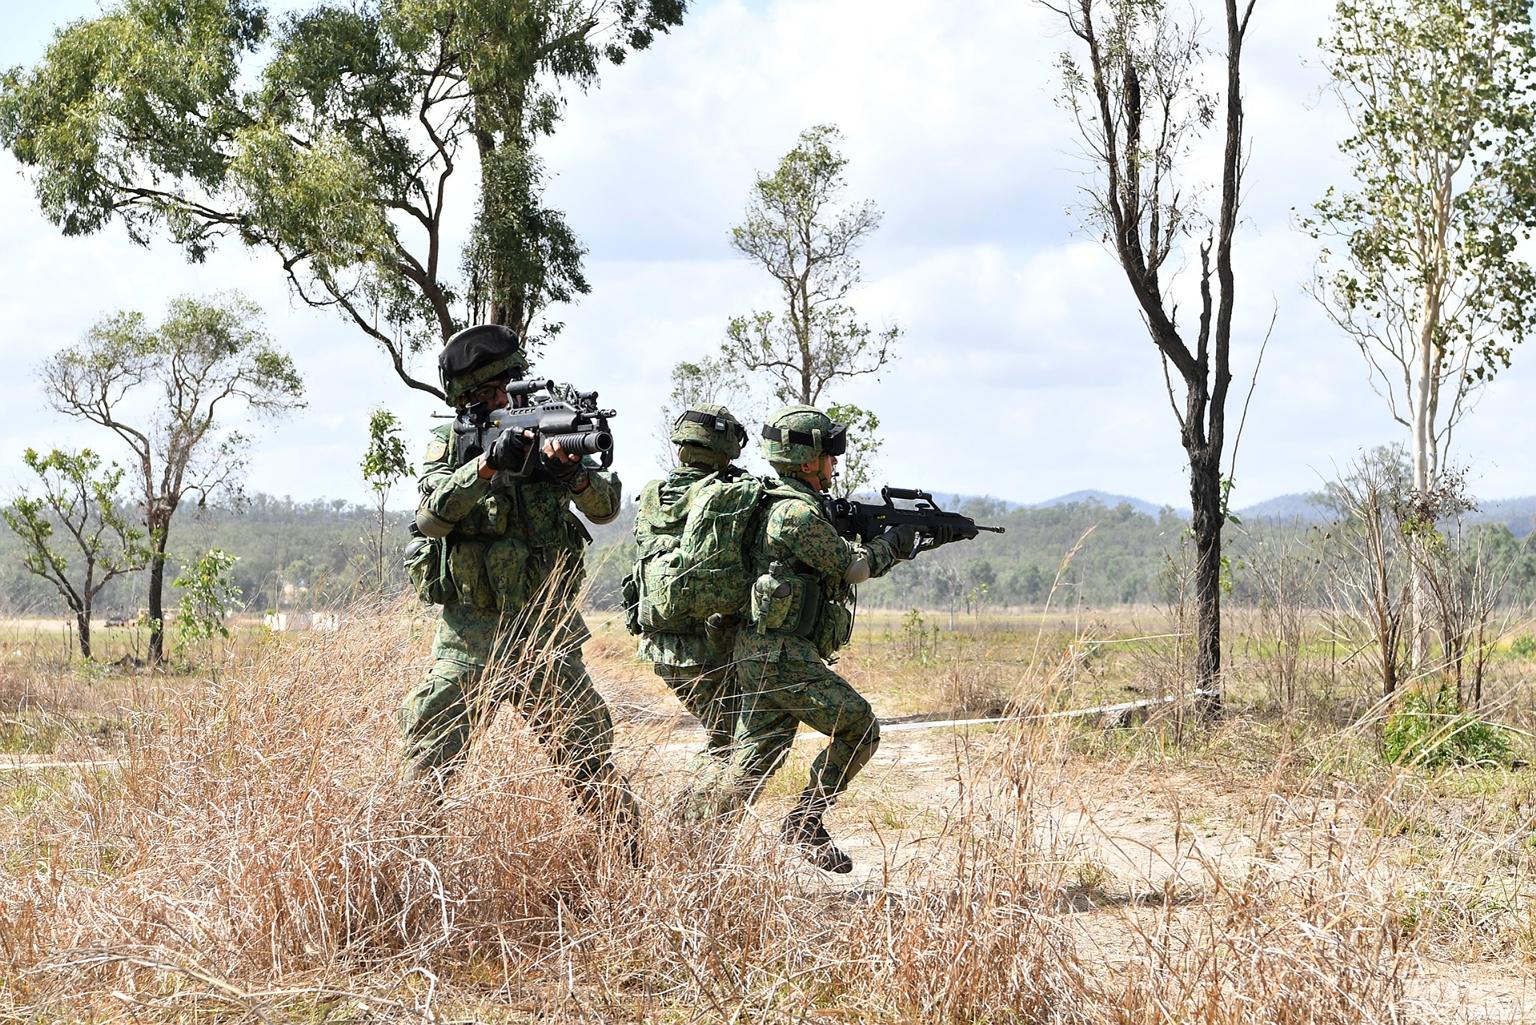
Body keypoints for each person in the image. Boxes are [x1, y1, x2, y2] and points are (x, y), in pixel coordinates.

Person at [398, 323, 637, 850]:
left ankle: (636, 872)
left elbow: (605, 509)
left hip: (546, 634)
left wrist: (573, 475)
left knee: (591, 761)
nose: (505, 398)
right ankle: (399, 873)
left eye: (510, 385)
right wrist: (486, 467)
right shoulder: (451, 443)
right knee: (428, 761)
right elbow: (431, 517)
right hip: (472, 636)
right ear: (467, 402)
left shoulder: (555, 427)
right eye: (490, 393)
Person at [723, 404, 951, 873]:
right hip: (782, 656)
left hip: (767, 652)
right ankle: (804, 823)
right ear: (807, 459)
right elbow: (854, 567)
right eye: (830, 453)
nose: (835, 462)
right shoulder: (795, 515)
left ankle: (686, 844)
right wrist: (896, 543)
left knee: (751, 765)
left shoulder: (788, 504)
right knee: (859, 726)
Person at [632, 404, 749, 818]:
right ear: (726, 446)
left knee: (722, 735)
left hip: (660, 645)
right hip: (707, 646)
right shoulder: (728, 495)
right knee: (732, 742)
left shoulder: (652, 495)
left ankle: (692, 832)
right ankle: (690, 831)